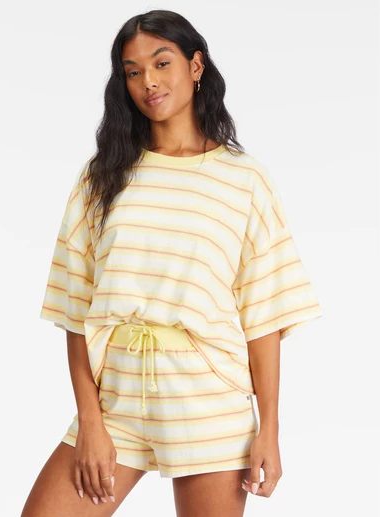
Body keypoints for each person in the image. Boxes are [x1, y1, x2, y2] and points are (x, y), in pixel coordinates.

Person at [21, 9, 323, 517]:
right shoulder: (103, 176)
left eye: (162, 63)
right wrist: (89, 421)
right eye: (132, 71)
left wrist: (268, 428)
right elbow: (75, 310)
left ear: (196, 65)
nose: (148, 81)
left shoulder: (243, 180)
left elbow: (264, 315)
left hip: (208, 398)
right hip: (116, 398)